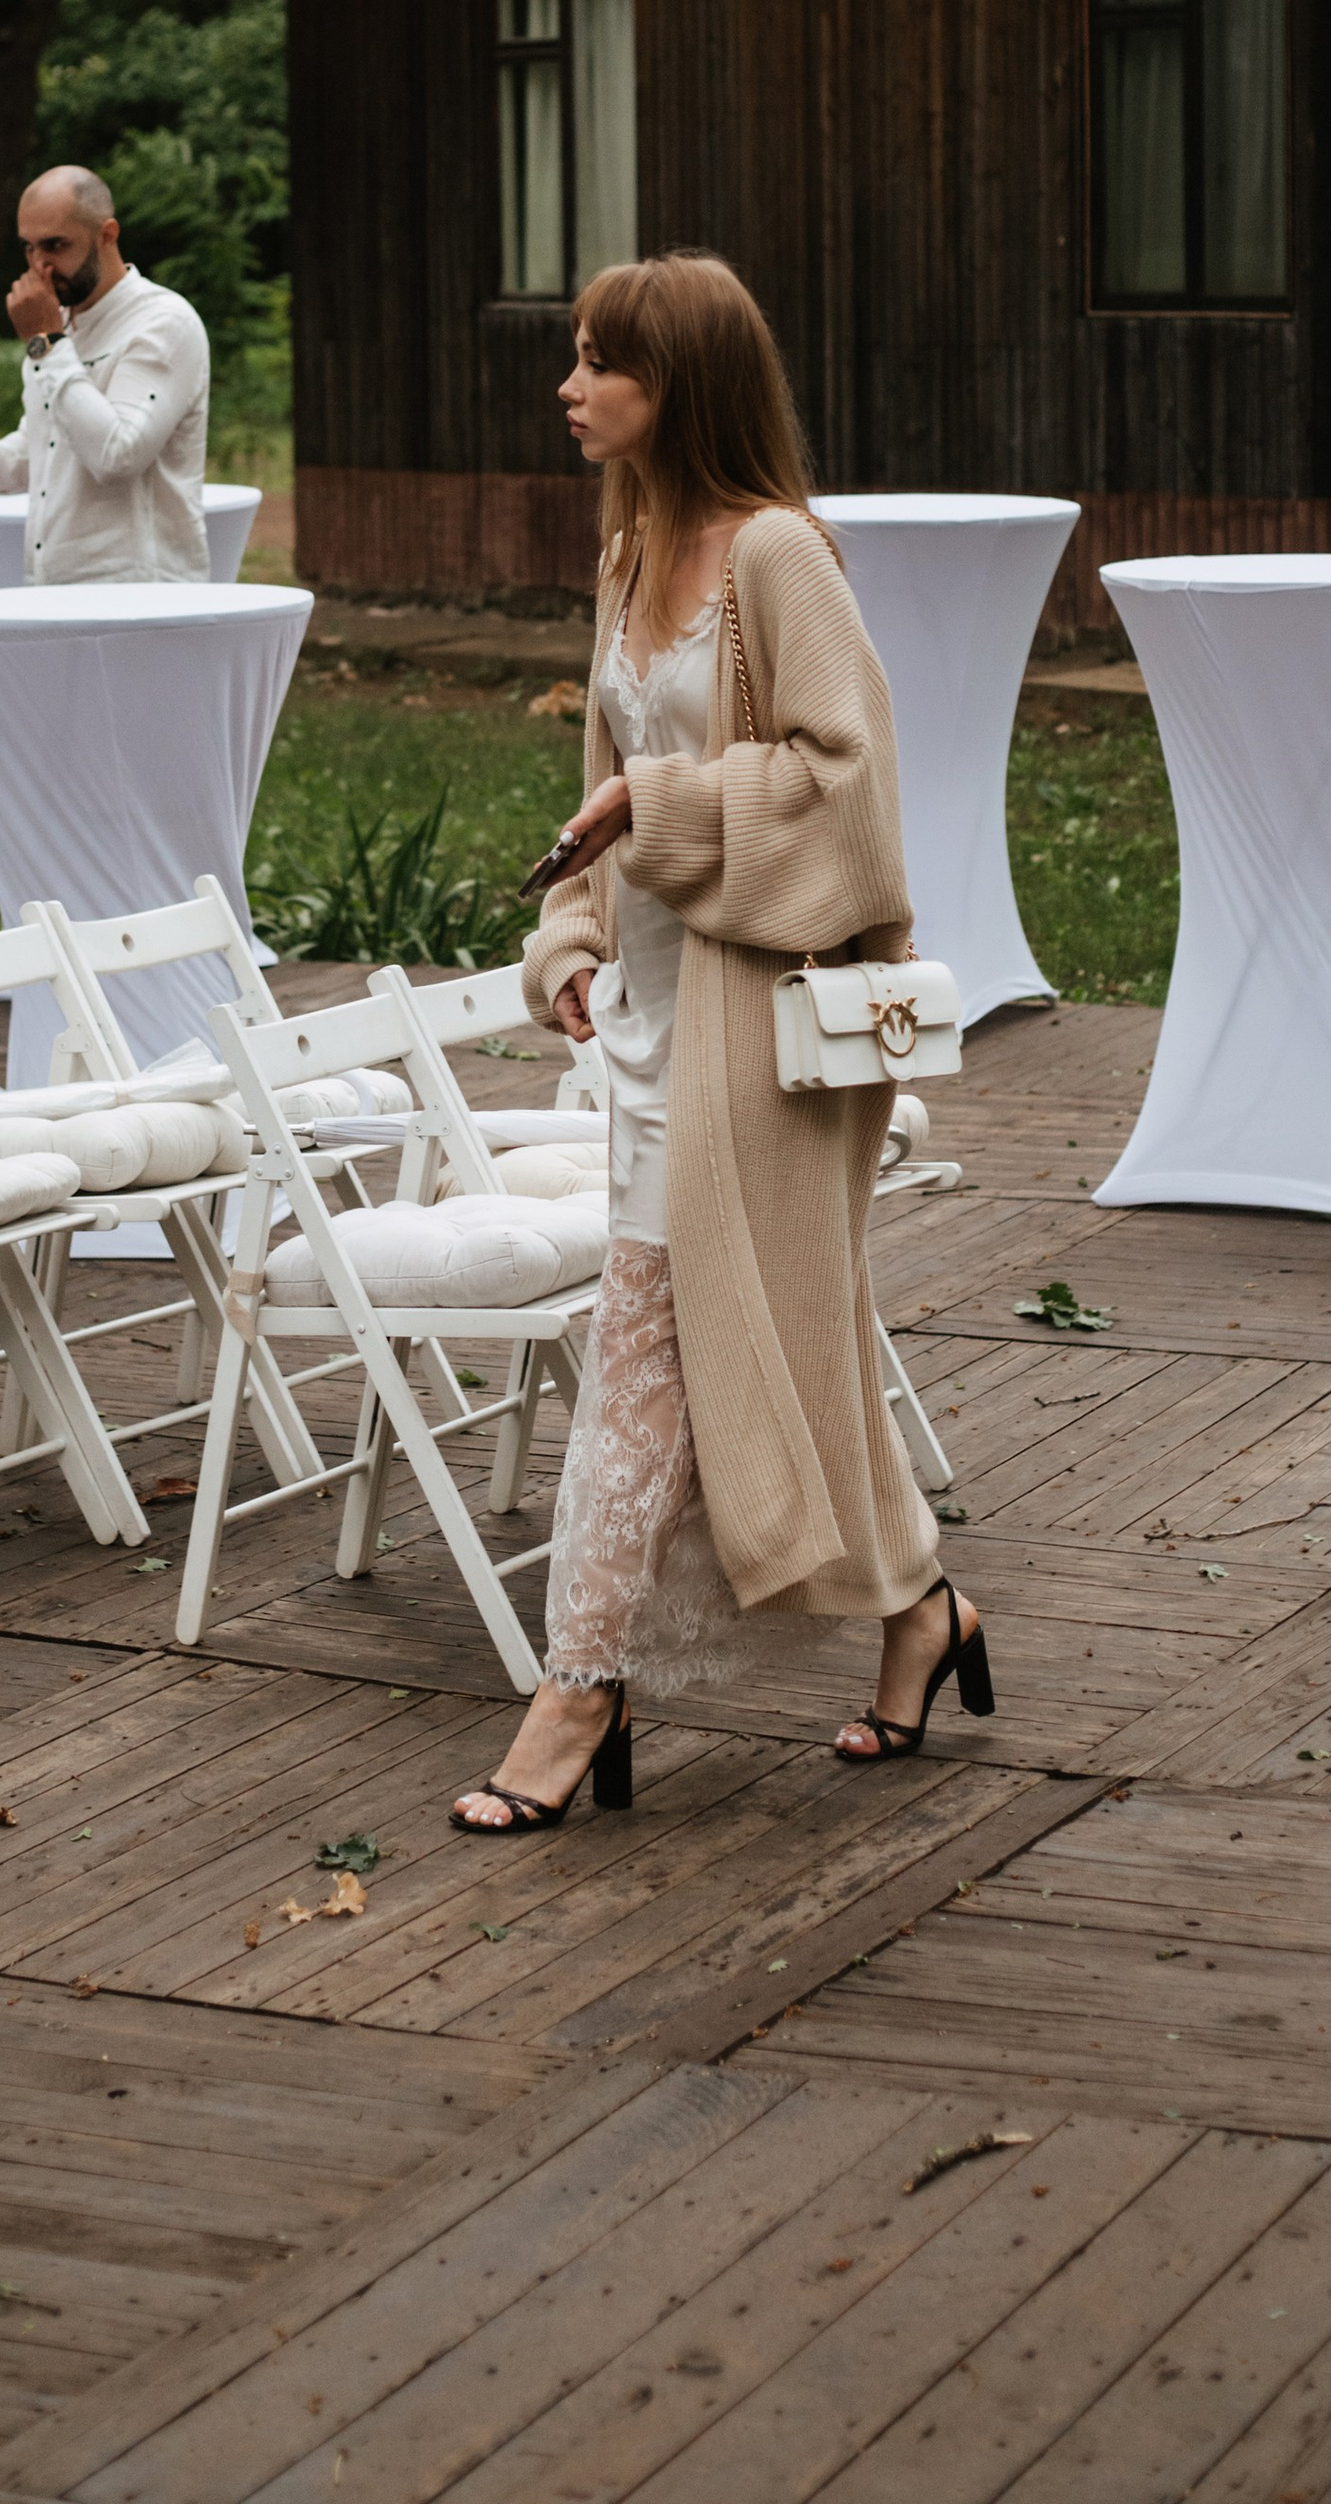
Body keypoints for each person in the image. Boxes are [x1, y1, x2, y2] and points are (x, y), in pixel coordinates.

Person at [450, 249, 989, 1836]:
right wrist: (568, 938)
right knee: (780, 1336)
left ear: (676, 384)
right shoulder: (623, 555)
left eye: (600, 361)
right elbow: (611, 788)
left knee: (641, 1353)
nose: (570, 385)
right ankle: (921, 1616)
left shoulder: (778, 561)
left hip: (762, 1033)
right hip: (647, 1021)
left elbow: (851, 790)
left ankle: (579, 1690)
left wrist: (669, 810)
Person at [0, 165, 210, 584]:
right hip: (55, 586)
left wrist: (46, 343)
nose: (40, 267)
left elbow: (116, 455)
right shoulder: (57, 327)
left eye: (55, 246)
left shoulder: (163, 322)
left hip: (140, 594)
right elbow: (47, 449)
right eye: (29, 248)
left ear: (108, 234)